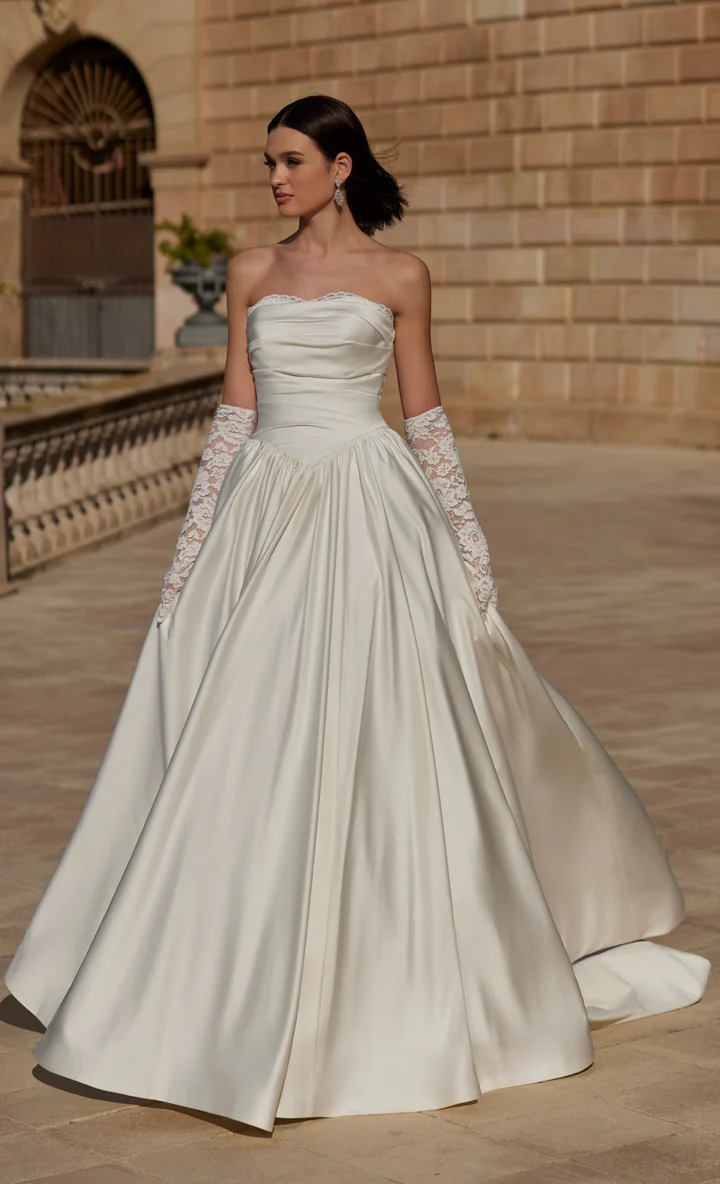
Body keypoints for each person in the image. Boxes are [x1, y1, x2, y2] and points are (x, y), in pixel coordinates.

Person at [5, 94, 710, 1133]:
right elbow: (231, 422)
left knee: (384, 727)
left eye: (291, 161)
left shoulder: (401, 276)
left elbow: (423, 418)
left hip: (373, 510)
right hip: (267, 509)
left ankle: (392, 971)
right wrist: (188, 563)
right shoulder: (251, 272)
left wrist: (469, 553)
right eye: (266, 163)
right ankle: (219, 975)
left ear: (342, 166)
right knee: (245, 731)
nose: (275, 179)